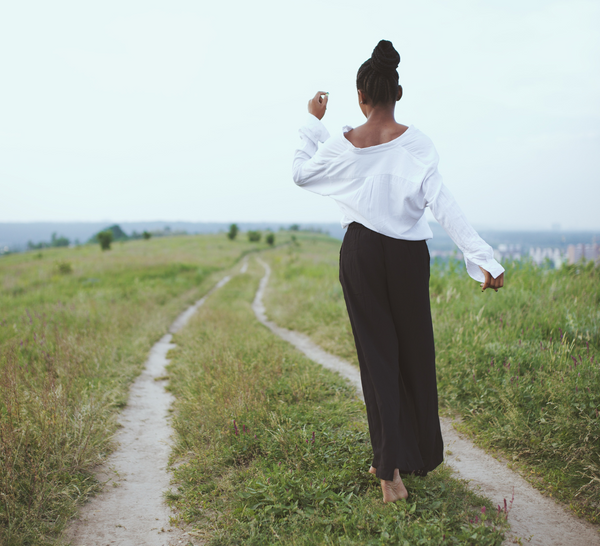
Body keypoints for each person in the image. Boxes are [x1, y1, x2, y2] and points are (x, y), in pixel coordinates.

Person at [292, 40, 505, 503]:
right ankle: (396, 462)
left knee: (378, 359)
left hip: (362, 255)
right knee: (412, 355)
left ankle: (390, 467)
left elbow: (301, 174)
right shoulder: (417, 143)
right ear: (398, 94)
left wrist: (313, 122)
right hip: (408, 258)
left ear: (361, 97)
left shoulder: (343, 144)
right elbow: (443, 203)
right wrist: (483, 257)